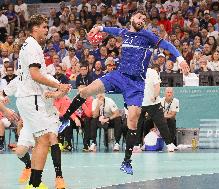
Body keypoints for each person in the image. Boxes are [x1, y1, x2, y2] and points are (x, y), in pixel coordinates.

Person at [58, 10, 188, 175]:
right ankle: (64, 120)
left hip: (136, 84)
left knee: (133, 120)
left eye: (144, 18)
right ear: (132, 17)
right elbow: (112, 30)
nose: (142, 20)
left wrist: (181, 59)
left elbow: (167, 45)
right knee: (86, 90)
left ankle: (126, 162)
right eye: (139, 17)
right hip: (119, 76)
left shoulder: (148, 36)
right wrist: (99, 27)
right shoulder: (124, 33)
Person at [15, 14, 70, 189]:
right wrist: (58, 84)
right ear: (34, 28)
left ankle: (36, 182)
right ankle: (35, 184)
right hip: (32, 98)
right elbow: (35, 75)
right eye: (44, 27)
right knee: (44, 139)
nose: (47, 30)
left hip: (27, 99)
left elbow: (39, 74)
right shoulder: (32, 46)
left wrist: (56, 86)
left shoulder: (28, 45)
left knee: (42, 139)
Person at [2, 74, 67, 188]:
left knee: (52, 137)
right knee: (20, 151)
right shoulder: (18, 80)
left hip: (49, 117)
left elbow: (64, 90)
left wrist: (54, 94)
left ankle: (59, 176)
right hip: (29, 122)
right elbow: (2, 94)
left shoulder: (47, 78)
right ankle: (28, 165)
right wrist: (3, 101)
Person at [135, 64, 177, 152]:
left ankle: (169, 144)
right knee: (139, 124)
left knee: (162, 124)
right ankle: (137, 145)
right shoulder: (135, 73)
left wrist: (155, 96)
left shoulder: (152, 72)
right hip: (140, 103)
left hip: (153, 103)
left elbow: (157, 86)